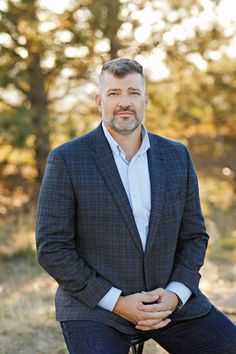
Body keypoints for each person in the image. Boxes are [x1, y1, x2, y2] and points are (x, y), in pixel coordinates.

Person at [36, 58, 236, 354]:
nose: (124, 102)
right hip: (96, 306)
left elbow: (194, 236)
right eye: (114, 93)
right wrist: (117, 302)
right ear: (99, 101)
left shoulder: (177, 155)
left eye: (133, 92)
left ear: (146, 100)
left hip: (168, 301)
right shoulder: (67, 159)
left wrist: (176, 294)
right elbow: (52, 248)